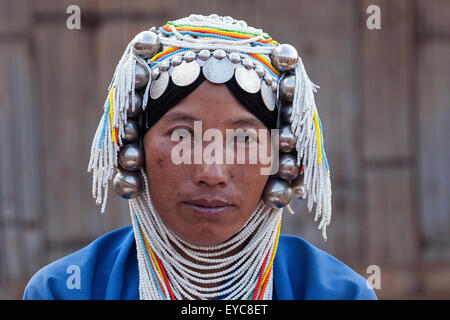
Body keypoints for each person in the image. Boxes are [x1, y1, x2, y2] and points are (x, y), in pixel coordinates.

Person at [23, 14, 377, 300]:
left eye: (242, 138)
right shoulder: (68, 290)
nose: (212, 171)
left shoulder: (335, 293)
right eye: (181, 136)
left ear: (278, 155)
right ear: (135, 146)